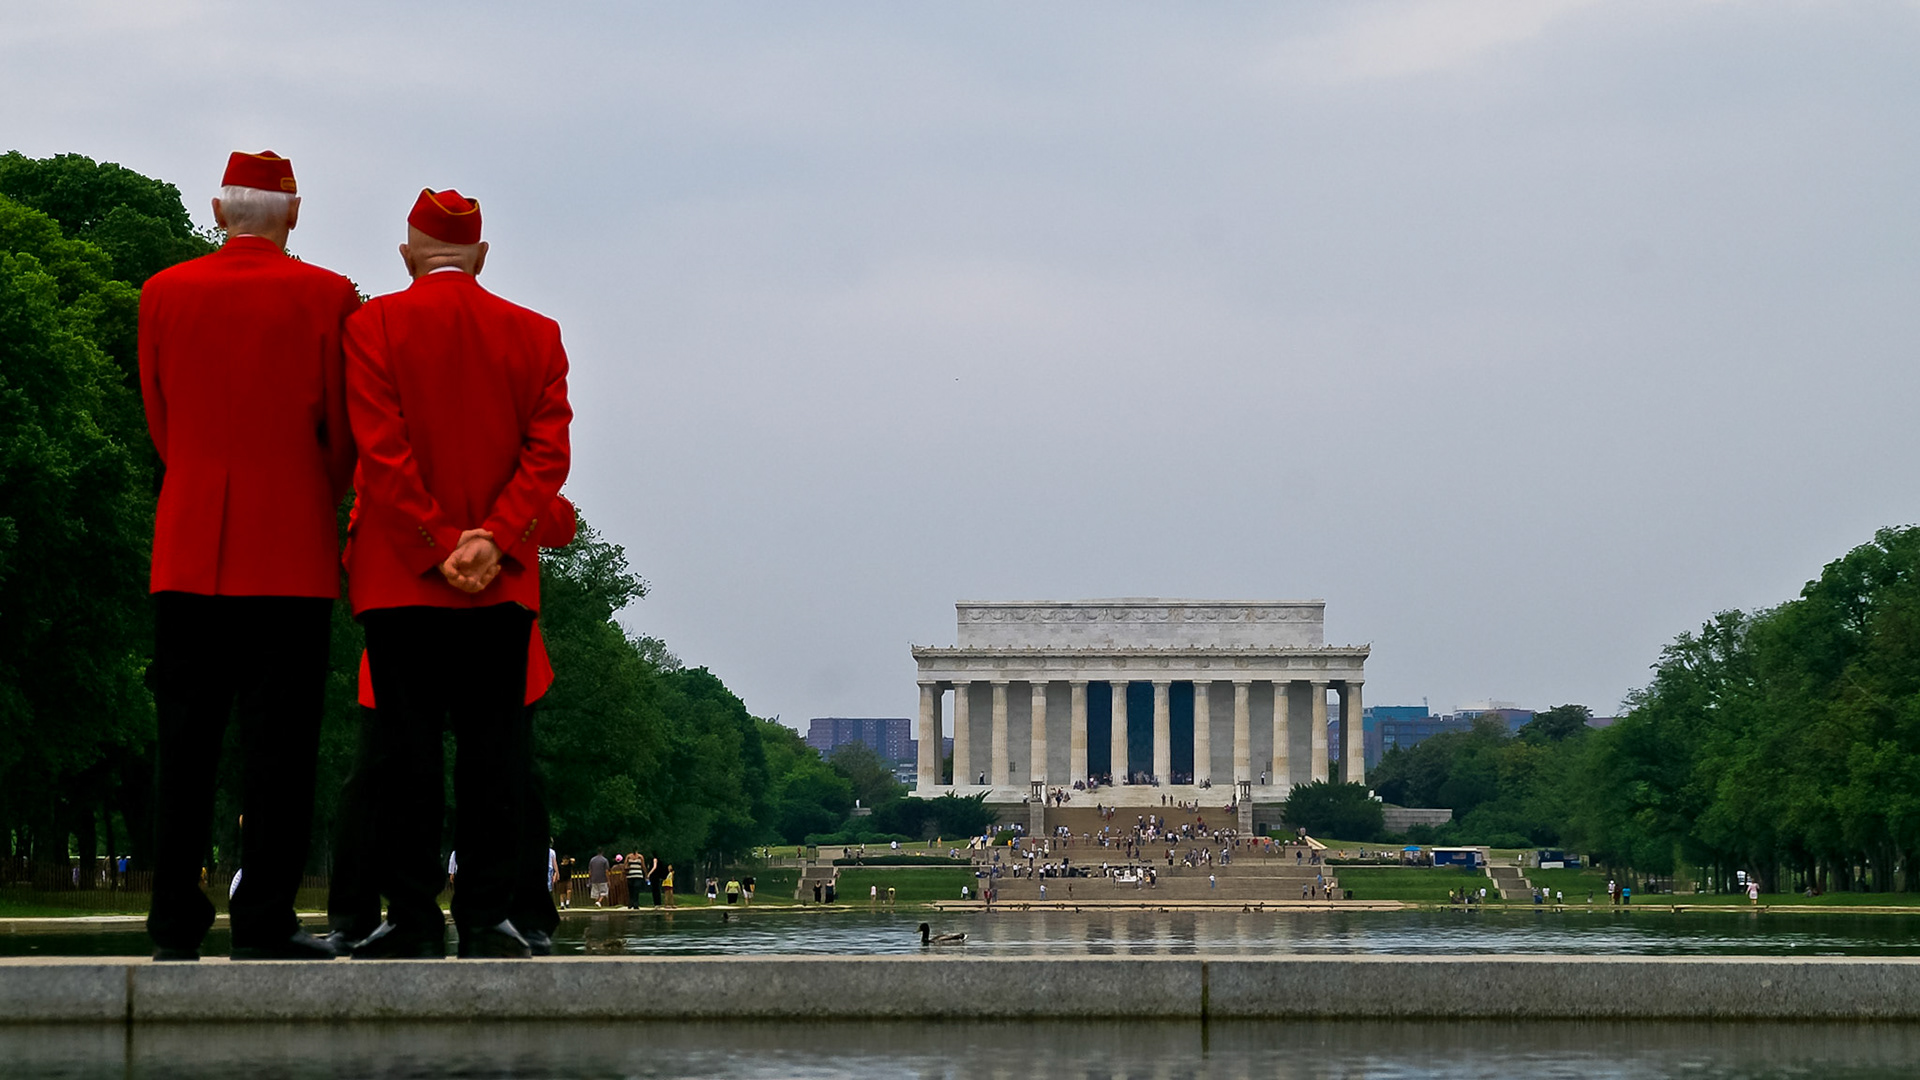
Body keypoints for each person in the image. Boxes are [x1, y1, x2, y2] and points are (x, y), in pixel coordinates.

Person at [139, 150, 359, 962]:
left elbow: (160, 416)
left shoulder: (163, 292)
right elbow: (342, 433)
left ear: (217, 211)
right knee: (281, 751)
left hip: (189, 542)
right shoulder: (329, 296)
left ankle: (173, 920)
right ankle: (264, 917)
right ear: (293, 213)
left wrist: (201, 481)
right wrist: (306, 492)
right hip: (289, 549)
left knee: (184, 747)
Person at [344, 188, 571, 960]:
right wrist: (491, 542)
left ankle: (410, 915)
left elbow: (381, 451)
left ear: (408, 255)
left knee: (403, 756)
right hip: (500, 582)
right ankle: (486, 917)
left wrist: (437, 544)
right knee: (494, 757)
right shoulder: (537, 334)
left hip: (402, 576)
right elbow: (547, 457)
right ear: (481, 256)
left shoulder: (371, 326)